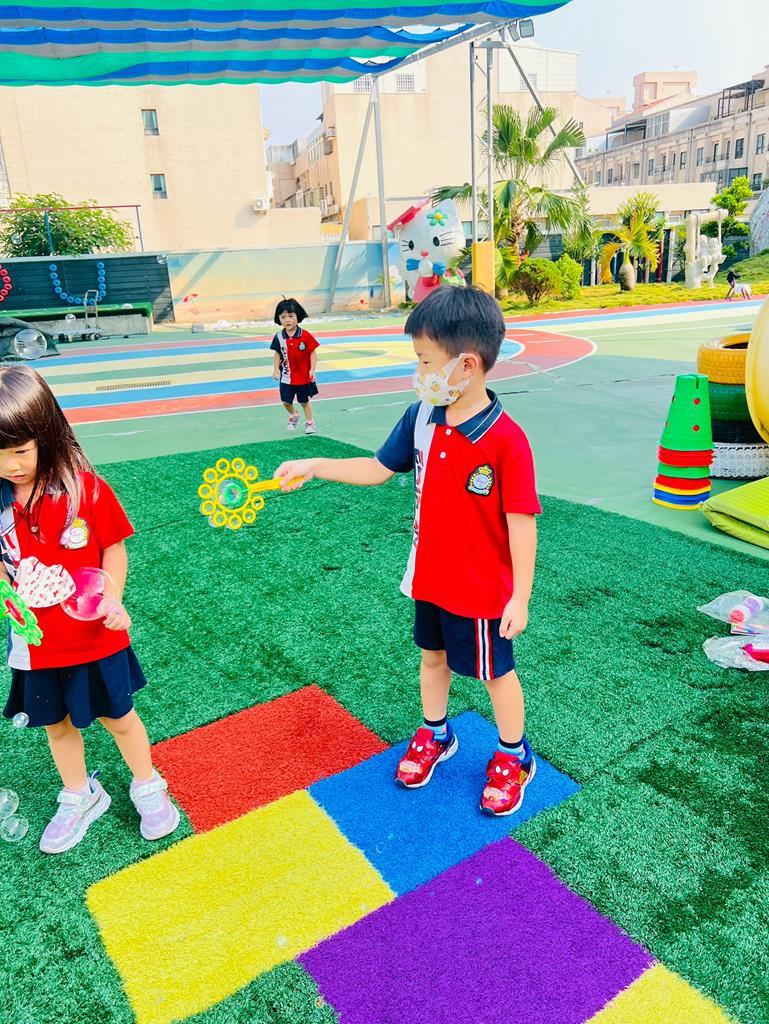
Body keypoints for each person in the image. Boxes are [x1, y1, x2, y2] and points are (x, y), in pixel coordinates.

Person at [275, 287, 541, 816]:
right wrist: (315, 465)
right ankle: (436, 733)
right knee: (432, 657)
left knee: (495, 672)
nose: (419, 372)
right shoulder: (421, 416)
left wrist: (520, 597)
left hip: (481, 588)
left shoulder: (506, 440)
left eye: (424, 361)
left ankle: (515, 755)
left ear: (467, 365)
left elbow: (521, 523)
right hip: (428, 576)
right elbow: (378, 469)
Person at [0, 365, 179, 854]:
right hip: (35, 646)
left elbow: (113, 548)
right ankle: (80, 794)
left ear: (46, 435)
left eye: (20, 450)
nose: (10, 465)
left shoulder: (85, 488)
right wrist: (8, 598)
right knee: (57, 727)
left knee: (119, 717)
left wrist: (112, 598)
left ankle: (147, 783)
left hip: (96, 637)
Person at [271, 298, 319, 435]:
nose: (287, 320)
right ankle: (294, 415)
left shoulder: (305, 335)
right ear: (279, 319)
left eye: (291, 316)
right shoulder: (279, 337)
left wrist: (312, 369)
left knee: (304, 402)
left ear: (298, 316)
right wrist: (275, 369)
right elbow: (277, 353)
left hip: (303, 377)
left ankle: (310, 422)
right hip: (286, 377)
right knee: (285, 401)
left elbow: (313, 353)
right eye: (283, 317)